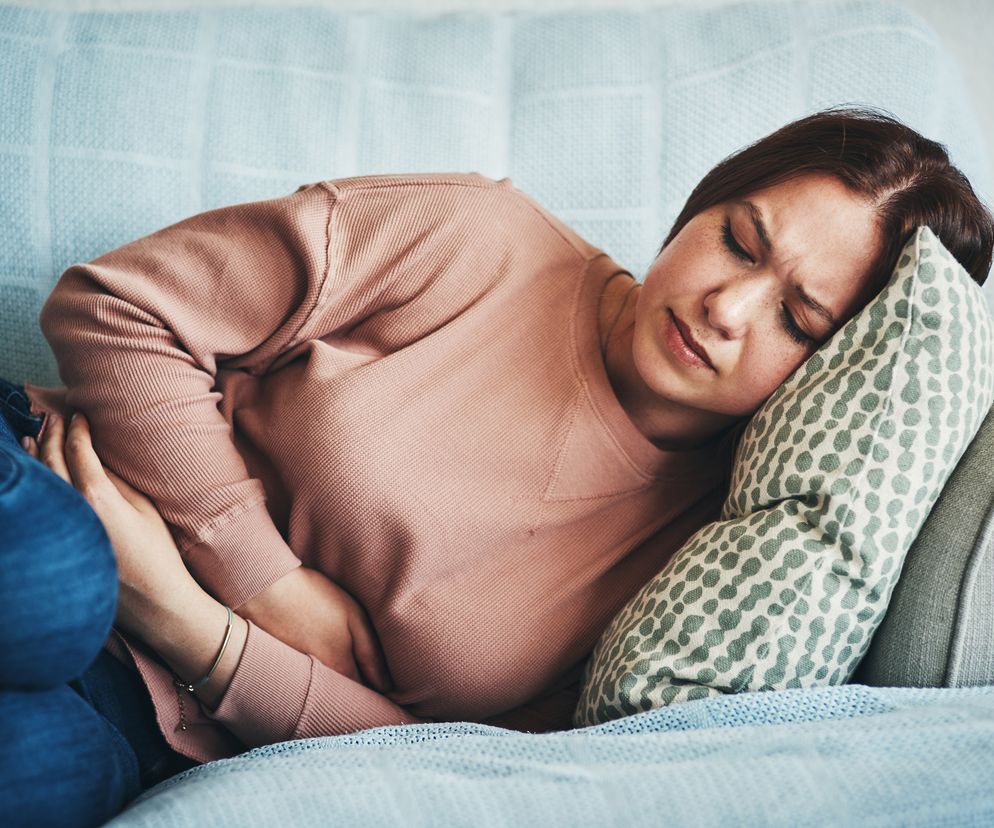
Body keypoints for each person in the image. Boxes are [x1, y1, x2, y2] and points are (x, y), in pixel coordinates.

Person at [2, 104, 992, 827]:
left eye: (797, 319)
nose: (726, 308)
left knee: (36, 773)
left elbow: (469, 766)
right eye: (736, 241)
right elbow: (117, 306)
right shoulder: (480, 238)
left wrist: (196, 626)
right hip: (57, 497)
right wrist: (265, 580)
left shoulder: (700, 568)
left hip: (142, 727)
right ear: (702, 205)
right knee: (55, 589)